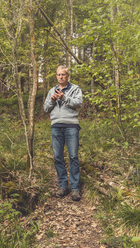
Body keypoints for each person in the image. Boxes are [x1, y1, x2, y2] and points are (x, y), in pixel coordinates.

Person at [43, 65, 83, 201]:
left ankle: (76, 189)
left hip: (71, 125)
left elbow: (79, 103)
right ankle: (63, 186)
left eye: (63, 74)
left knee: (73, 157)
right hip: (56, 126)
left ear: (68, 76)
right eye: (59, 75)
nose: (61, 77)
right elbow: (46, 108)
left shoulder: (75, 89)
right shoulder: (51, 91)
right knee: (58, 157)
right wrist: (53, 100)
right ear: (56, 76)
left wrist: (64, 98)